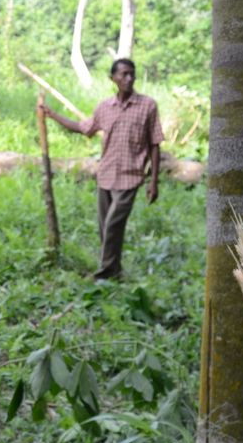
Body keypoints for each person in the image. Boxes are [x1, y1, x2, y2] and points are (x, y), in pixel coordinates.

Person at [39, 58, 164, 280]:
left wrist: (153, 181)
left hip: (131, 176)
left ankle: (104, 274)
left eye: (132, 74)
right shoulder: (105, 108)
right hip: (106, 175)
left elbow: (154, 144)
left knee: (114, 223)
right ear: (112, 79)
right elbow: (82, 128)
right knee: (104, 228)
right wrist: (52, 114)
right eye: (124, 74)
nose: (129, 78)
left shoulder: (148, 106)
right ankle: (114, 270)